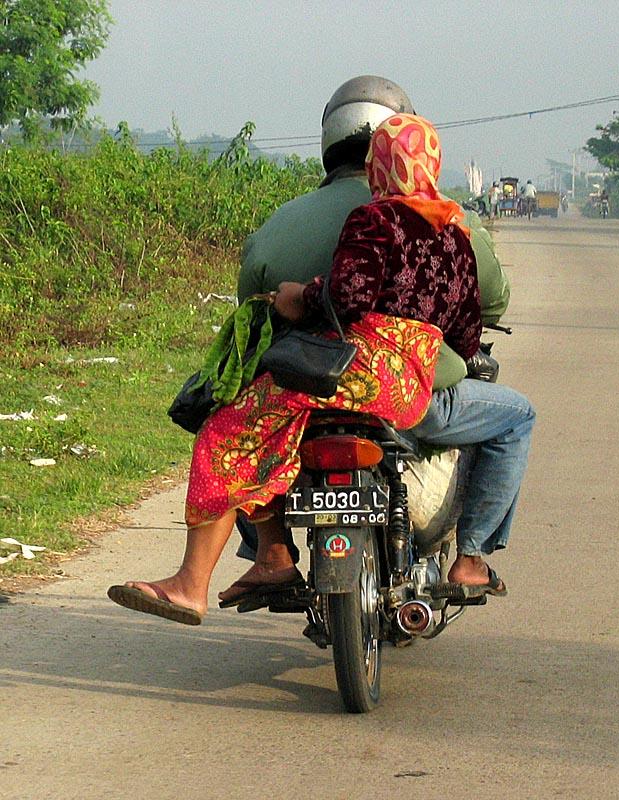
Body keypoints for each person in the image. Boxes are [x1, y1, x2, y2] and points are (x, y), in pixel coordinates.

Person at [107, 113, 487, 623]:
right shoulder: (455, 234)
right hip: (411, 387)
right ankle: (273, 557)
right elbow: (466, 336)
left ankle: (193, 583)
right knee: (272, 427)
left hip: (361, 370)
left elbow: (349, 297)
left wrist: (299, 295)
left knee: (226, 431)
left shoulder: (375, 220)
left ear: (379, 165)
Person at [235, 75, 511, 564]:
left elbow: (257, 310)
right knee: (511, 414)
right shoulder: (448, 223)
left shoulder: (279, 225)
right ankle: (472, 556)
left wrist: (302, 298)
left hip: (311, 385)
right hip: (405, 389)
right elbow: (485, 306)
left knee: (238, 413)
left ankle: (269, 551)